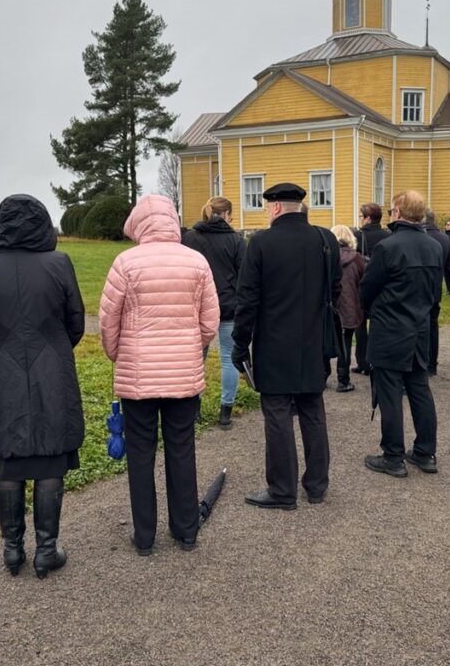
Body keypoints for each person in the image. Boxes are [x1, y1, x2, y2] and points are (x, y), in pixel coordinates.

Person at [0, 194, 85, 579]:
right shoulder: (59, 263)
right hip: (52, 364)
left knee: (9, 455)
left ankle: (12, 550)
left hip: (3, 369)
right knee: (51, 455)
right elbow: (76, 323)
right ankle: (46, 550)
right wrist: (52, 345)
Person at [99, 195, 219, 554]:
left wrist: (118, 353)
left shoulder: (126, 263)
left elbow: (108, 321)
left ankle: (145, 535)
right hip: (182, 374)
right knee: (181, 449)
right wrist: (190, 346)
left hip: (138, 376)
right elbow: (210, 321)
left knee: (140, 452)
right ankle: (186, 530)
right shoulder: (196, 261)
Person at [233, 183, 340, 509]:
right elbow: (335, 290)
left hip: (275, 341)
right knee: (312, 410)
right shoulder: (326, 239)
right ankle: (317, 485)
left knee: (277, 414)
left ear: (275, 207)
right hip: (314, 339)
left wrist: (240, 343)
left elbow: (247, 298)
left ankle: (282, 490)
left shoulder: (262, 242)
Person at [359, 190, 442, 478]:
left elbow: (367, 288)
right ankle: (425, 452)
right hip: (419, 327)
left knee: (390, 392)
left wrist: (372, 308)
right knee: (419, 389)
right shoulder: (434, 246)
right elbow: (435, 291)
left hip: (391, 327)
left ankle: (393, 455)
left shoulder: (388, 247)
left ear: (397, 212)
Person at [182, 196, 244, 427]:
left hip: (198, 306)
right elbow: (243, 275)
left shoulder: (190, 237)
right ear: (227, 214)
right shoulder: (236, 240)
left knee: (198, 358)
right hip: (228, 304)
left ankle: (194, 409)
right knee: (228, 357)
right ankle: (225, 411)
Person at [352, 203, 392, 375]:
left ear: (367, 218)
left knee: (360, 326)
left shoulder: (358, 236)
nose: (360, 219)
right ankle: (376, 361)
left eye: (361, 216)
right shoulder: (388, 236)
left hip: (361, 282)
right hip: (382, 284)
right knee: (378, 324)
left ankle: (363, 362)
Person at [331, 224, 365, 393]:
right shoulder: (357, 258)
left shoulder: (326, 257)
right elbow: (363, 281)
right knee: (345, 342)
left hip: (329, 306)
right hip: (350, 305)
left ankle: (322, 375)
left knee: (325, 341)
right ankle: (343, 380)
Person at [424, 209, 450, 376]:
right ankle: (432, 363)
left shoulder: (424, 238)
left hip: (422, 289)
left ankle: (424, 362)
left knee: (421, 328)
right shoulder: (444, 237)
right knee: (433, 327)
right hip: (436, 287)